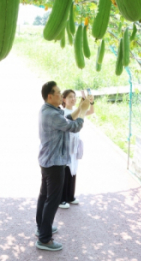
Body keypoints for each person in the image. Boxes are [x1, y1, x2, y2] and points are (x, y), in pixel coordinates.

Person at [35, 81, 90, 252]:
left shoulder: (48, 110)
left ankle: (42, 228)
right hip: (55, 163)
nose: (61, 95)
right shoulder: (51, 114)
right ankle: (44, 239)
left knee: (44, 196)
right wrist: (84, 111)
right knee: (53, 200)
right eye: (58, 93)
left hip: (47, 161)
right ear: (50, 96)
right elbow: (73, 126)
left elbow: (66, 119)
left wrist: (80, 107)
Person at [59, 89, 94, 209]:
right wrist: (81, 108)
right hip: (66, 144)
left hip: (75, 144)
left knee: (73, 169)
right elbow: (72, 120)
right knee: (65, 170)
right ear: (64, 99)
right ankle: (61, 199)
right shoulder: (63, 112)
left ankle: (70, 196)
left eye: (74, 97)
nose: (73, 99)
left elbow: (90, 111)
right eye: (70, 97)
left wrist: (90, 102)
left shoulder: (76, 110)